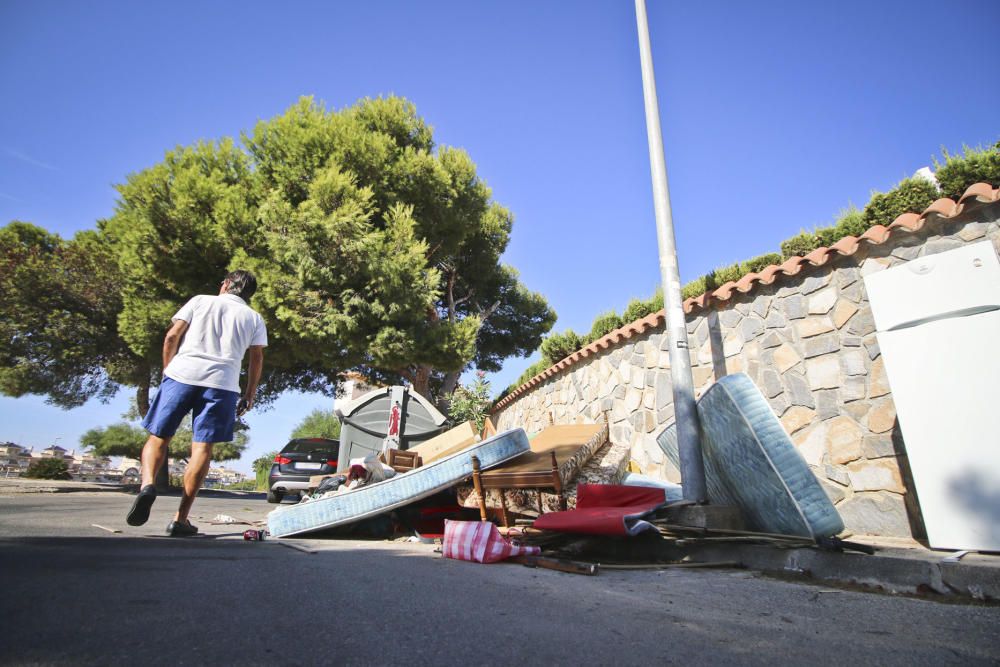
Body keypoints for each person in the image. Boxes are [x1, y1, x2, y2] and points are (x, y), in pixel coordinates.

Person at [126, 270, 267, 536]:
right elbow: (256, 358)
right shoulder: (254, 317)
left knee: (158, 437)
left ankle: (147, 485)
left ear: (225, 284)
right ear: (249, 294)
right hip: (222, 384)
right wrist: (249, 393)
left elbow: (171, 336)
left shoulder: (200, 300)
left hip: (182, 375)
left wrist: (169, 370)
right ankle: (180, 519)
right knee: (202, 448)